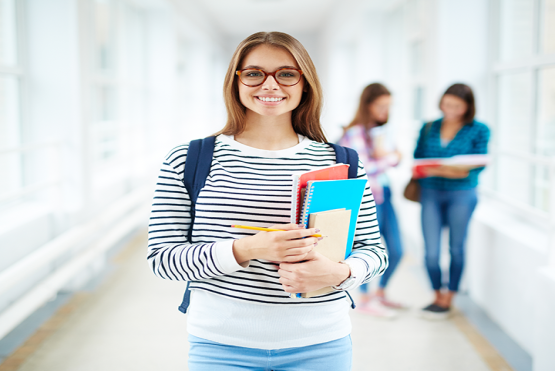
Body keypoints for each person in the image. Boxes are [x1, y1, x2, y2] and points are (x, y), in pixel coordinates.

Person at [147, 31, 388, 370]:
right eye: (254, 73)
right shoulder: (189, 159)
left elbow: (375, 251)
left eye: (287, 74)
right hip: (221, 346)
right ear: (236, 81)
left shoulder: (343, 162)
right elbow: (162, 259)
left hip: (321, 344)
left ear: (305, 83)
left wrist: (337, 272)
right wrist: (249, 249)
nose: (270, 85)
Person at [414, 83, 490, 319]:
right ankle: (437, 294)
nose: (451, 110)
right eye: (447, 104)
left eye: (457, 106)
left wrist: (440, 169)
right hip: (430, 194)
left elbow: (475, 168)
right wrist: (451, 170)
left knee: (456, 248)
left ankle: (450, 295)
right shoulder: (429, 127)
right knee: (431, 252)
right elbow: (418, 162)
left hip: (462, 194)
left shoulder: (479, 129)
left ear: (468, 107)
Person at [338, 83, 406, 318]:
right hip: (368, 199)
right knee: (366, 248)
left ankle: (381, 293)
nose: (385, 111)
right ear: (368, 105)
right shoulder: (354, 132)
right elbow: (363, 169)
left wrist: (392, 156)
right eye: (381, 105)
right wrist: (392, 157)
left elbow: (395, 159)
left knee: (397, 250)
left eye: (389, 106)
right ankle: (365, 297)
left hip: (385, 195)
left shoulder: (381, 131)